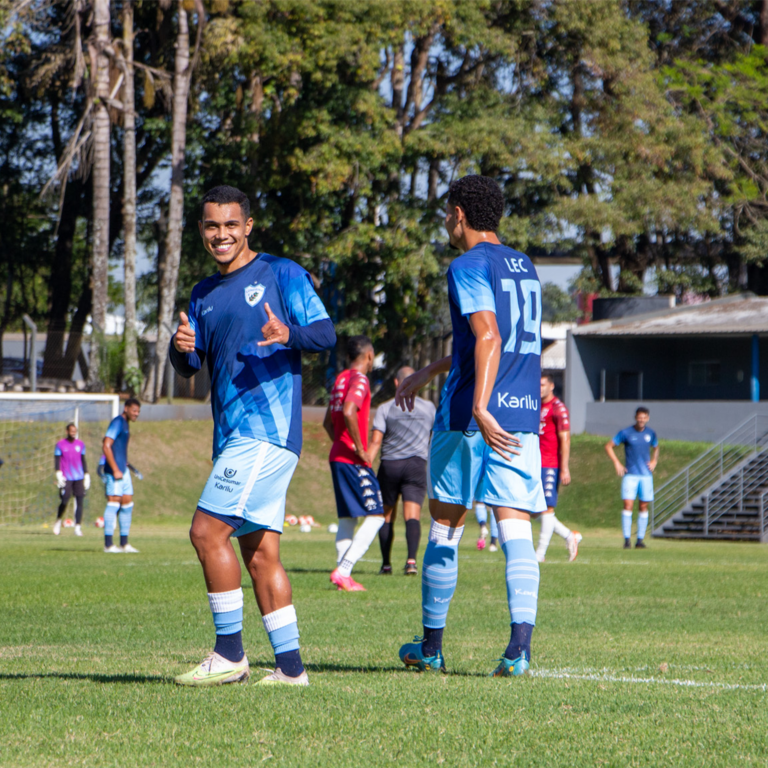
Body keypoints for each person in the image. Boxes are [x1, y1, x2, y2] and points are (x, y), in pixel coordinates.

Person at [169, 185, 335, 687]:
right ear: (202, 231)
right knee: (259, 553)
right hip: (234, 437)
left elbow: (326, 335)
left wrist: (288, 334)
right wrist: (180, 349)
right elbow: (190, 366)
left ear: (248, 226)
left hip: (265, 435)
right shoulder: (202, 293)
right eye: (211, 226)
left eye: (230, 225)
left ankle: (229, 654)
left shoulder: (281, 273)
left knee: (206, 531)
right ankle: (290, 670)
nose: (222, 235)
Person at [395, 175, 546, 677]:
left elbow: (488, 336)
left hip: (469, 416)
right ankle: (519, 649)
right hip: (522, 416)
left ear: (459, 214)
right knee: (516, 529)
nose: (445, 222)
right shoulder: (525, 267)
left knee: (445, 525)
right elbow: (488, 343)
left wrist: (480, 407)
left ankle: (432, 647)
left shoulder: (467, 264)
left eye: (446, 214)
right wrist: (428, 370)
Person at [324, 336, 385, 591]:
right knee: (376, 516)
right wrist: (360, 449)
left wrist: (341, 441)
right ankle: (345, 569)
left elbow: (328, 422)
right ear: (369, 356)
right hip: (352, 459)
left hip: (337, 455)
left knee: (348, 519)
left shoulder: (340, 379)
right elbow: (350, 411)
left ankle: (343, 579)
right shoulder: (360, 380)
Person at [368, 366, 435, 576]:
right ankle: (411, 561)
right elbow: (434, 438)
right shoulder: (429, 408)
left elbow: (376, 441)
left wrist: (366, 461)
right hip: (416, 465)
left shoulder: (385, 408)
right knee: (412, 514)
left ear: (397, 383)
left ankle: (386, 564)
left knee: (386, 516)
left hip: (390, 465)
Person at [536, 374, 581, 562]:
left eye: (543, 385)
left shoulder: (558, 408)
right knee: (533, 510)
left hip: (549, 464)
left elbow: (565, 439)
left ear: (552, 386)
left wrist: (564, 468)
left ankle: (539, 554)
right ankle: (570, 536)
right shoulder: (535, 406)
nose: (539, 388)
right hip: (534, 463)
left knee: (547, 509)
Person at [605, 407, 659, 549]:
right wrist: (617, 463)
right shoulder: (626, 433)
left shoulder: (650, 433)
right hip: (630, 476)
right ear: (635, 417)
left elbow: (656, 447)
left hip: (646, 476)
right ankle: (627, 540)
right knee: (628, 505)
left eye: (644, 417)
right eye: (639, 417)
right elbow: (609, 446)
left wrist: (654, 461)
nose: (641, 420)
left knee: (643, 506)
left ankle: (640, 540)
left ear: (647, 418)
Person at [102, 399, 141, 554]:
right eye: (134, 410)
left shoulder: (125, 423)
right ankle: (108, 545)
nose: (136, 414)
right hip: (114, 471)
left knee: (127, 504)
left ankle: (124, 544)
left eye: (138, 411)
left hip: (122, 470)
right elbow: (106, 445)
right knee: (113, 503)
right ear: (126, 408)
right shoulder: (117, 422)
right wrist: (115, 468)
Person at [53, 423, 90, 536]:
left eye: (75, 431)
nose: (73, 433)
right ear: (67, 431)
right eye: (71, 431)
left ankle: (77, 527)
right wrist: (58, 473)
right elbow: (57, 460)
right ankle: (58, 521)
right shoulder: (60, 444)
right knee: (64, 500)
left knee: (80, 501)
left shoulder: (81, 444)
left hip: (79, 477)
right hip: (66, 477)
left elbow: (83, 460)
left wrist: (87, 474)